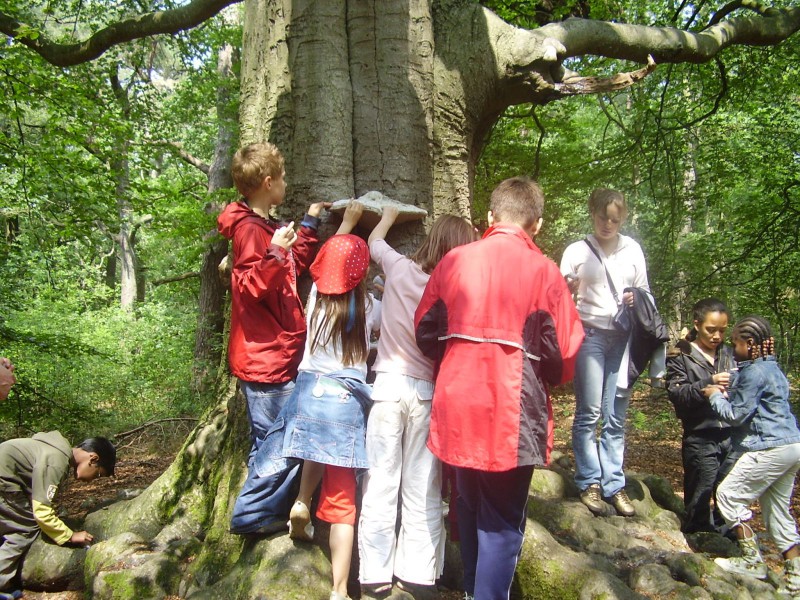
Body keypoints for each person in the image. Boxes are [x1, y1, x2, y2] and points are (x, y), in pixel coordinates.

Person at [415, 177, 583, 600]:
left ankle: (473, 590)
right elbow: (564, 355)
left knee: (468, 503)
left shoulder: (453, 261)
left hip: (457, 402)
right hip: (510, 409)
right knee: (502, 519)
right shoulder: (545, 272)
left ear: (489, 217)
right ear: (537, 225)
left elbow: (424, 330)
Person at [358, 208, 477, 599]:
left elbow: (374, 243)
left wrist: (388, 216)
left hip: (388, 386)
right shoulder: (455, 291)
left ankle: (374, 574)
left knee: (380, 482)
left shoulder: (399, 269)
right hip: (427, 392)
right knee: (422, 486)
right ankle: (419, 574)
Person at [256, 230, 379, 600]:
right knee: (343, 500)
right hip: (345, 403)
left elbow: (333, 269)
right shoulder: (371, 305)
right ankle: (340, 590)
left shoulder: (314, 299)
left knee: (315, 451)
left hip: (310, 394)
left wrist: (345, 224)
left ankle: (302, 501)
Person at [218, 141, 329, 535]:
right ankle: (250, 515)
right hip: (265, 359)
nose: (286, 184)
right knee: (280, 443)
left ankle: (262, 512)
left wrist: (309, 224)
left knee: (271, 441)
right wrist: (275, 255)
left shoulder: (264, 227)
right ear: (268, 182)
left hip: (276, 354)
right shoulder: (250, 230)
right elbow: (248, 288)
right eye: (282, 178)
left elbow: (290, 265)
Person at [560, 188, 649, 518]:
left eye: (615, 218)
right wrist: (566, 290)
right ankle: (589, 480)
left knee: (616, 415)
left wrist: (635, 299)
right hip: (590, 336)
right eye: (602, 217)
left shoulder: (632, 250)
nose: (608, 224)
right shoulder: (576, 251)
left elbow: (645, 296)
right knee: (590, 411)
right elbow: (559, 299)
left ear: (623, 218)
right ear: (592, 212)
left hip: (623, 340)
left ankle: (614, 483)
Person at [702, 315, 800, 594]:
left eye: (736, 343)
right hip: (792, 446)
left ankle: (751, 560)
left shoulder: (755, 373)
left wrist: (713, 394)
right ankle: (796, 579)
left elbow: (735, 415)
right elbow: (750, 388)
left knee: (727, 496)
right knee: (777, 513)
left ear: (750, 343)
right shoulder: (772, 369)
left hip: (770, 446)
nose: (733, 348)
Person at [0, 433, 115, 599]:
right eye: (98, 474)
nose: (92, 480)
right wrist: (71, 535)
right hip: (4, 482)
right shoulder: (56, 461)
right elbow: (42, 513)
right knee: (24, 528)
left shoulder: (53, 448)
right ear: (93, 459)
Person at [666, 298, 738, 534]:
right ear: (697, 324)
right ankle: (700, 543)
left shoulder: (729, 353)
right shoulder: (681, 355)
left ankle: (730, 542)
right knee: (700, 493)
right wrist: (709, 383)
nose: (717, 336)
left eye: (722, 330)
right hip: (700, 436)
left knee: (730, 493)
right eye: (711, 329)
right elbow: (678, 394)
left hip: (731, 434)